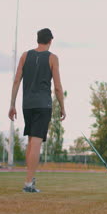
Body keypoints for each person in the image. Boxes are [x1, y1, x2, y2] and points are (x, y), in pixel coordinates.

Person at [8, 28, 66, 193]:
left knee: (31, 142)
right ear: (50, 41)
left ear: (38, 39)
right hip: (43, 105)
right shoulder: (53, 58)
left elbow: (16, 80)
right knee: (36, 143)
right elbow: (58, 88)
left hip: (27, 104)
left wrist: (12, 104)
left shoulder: (25, 55)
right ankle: (28, 183)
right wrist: (62, 106)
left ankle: (29, 179)